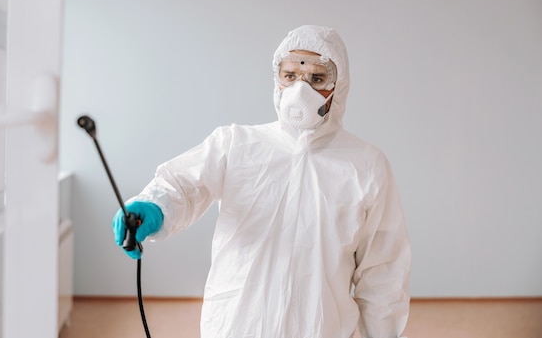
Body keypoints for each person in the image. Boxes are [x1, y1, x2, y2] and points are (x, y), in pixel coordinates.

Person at [112, 25, 411, 338]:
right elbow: (184, 185)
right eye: (291, 75)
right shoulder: (236, 144)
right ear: (277, 78)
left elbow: (382, 274)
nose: (300, 90)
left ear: (340, 86)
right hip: (237, 325)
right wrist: (155, 205)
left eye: (317, 78)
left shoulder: (364, 165)